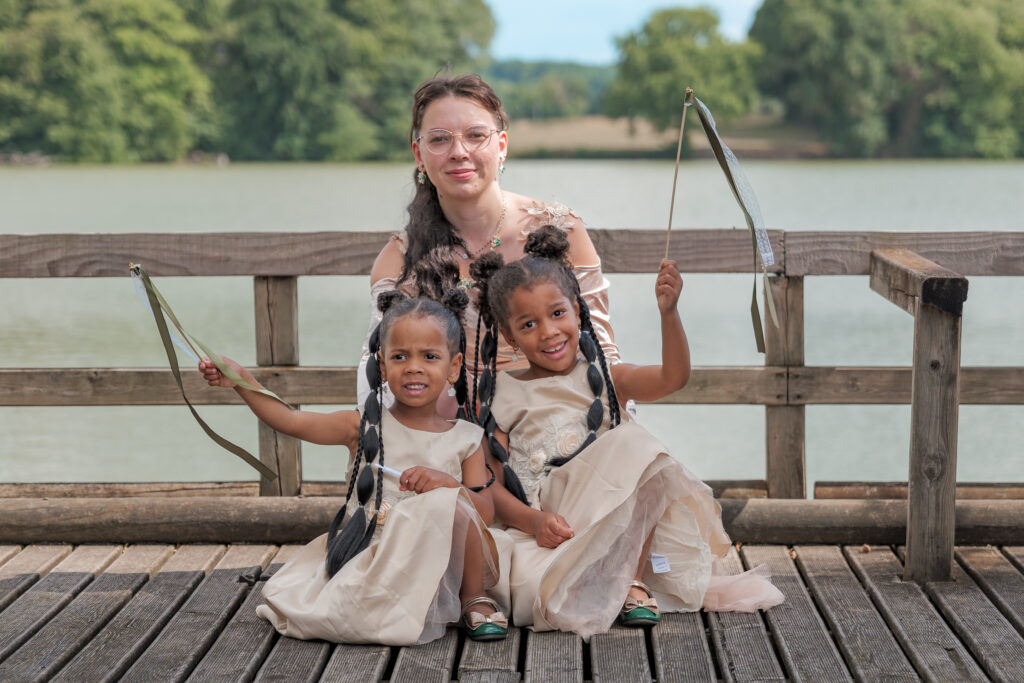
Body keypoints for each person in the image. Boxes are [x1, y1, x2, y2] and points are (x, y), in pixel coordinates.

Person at [470, 226, 784, 640]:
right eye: (529, 324)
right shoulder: (502, 395)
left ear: (578, 312)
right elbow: (488, 486)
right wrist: (534, 521)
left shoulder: (606, 376)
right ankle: (593, 581)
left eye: (558, 313)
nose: (548, 331)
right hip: (550, 523)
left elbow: (673, 378)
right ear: (509, 336)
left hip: (609, 522)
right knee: (538, 591)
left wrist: (668, 314)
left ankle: (632, 580)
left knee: (641, 446)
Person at [198, 288, 509, 645]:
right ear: (382, 363)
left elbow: (484, 512)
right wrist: (240, 380)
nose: (414, 367)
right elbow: (288, 420)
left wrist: (446, 485)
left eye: (430, 356)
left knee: (453, 502)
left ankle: (473, 596)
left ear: (453, 366)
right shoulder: (360, 426)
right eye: (400, 356)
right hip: (379, 556)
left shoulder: (467, 438)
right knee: (343, 617)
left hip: (437, 563)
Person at [359, 73, 620, 409]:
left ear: (501, 146)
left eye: (476, 136)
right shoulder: (400, 259)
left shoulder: (562, 231)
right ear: (419, 154)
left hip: (563, 421)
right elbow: (375, 378)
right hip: (454, 437)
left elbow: (602, 352)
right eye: (439, 139)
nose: (458, 152)